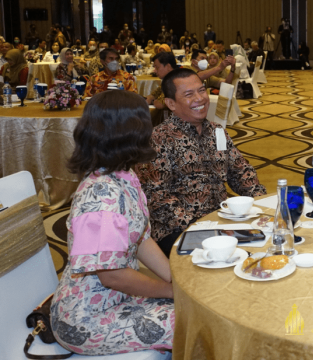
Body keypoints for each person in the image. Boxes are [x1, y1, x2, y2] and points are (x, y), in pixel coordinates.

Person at [50, 90, 174, 355]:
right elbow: (111, 275)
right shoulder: (101, 196)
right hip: (85, 320)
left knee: (194, 307)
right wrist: (170, 291)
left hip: (116, 299)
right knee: (189, 321)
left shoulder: (123, 175)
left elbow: (140, 239)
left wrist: (176, 281)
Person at [137, 69, 266, 256]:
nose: (200, 98)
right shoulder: (158, 139)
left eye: (201, 90)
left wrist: (262, 203)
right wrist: (201, 227)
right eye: (189, 94)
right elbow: (157, 198)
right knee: (230, 257)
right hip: (177, 229)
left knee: (265, 243)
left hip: (221, 220)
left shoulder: (217, 131)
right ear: (171, 103)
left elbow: (241, 172)